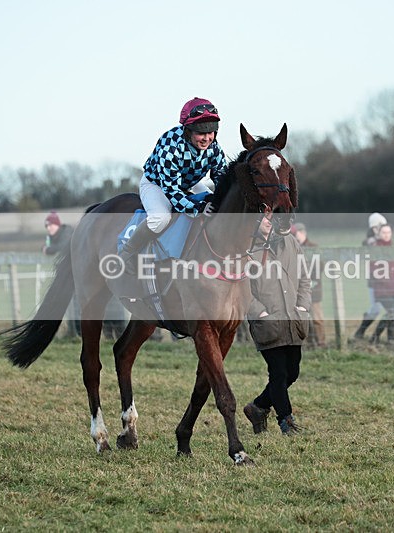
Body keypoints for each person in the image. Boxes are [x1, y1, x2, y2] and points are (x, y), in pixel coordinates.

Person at [118, 97, 227, 273]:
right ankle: (127, 252)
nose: (207, 138)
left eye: (211, 132)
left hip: (189, 182)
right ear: (188, 131)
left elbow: (221, 178)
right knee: (160, 218)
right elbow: (172, 191)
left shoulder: (215, 148)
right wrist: (197, 207)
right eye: (201, 132)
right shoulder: (170, 146)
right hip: (157, 184)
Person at [243, 215, 311, 436]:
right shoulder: (247, 248)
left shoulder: (290, 241)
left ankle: (259, 406)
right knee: (279, 373)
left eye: (272, 218)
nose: (269, 222)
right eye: (265, 218)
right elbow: (242, 289)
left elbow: (304, 278)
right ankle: (286, 420)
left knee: (292, 372)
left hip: (293, 319)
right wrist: (260, 313)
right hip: (267, 322)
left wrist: (302, 307)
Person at [42, 211, 79, 335]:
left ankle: (76, 331)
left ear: (57, 225)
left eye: (50, 225)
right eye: (46, 226)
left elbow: (63, 246)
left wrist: (48, 249)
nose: (48, 228)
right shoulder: (52, 237)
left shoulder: (66, 232)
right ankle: (73, 330)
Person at [353, 212, 388, 340]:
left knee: (392, 310)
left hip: (389, 281)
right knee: (376, 309)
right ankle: (361, 333)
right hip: (375, 282)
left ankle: (374, 336)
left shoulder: (386, 240)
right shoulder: (369, 242)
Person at [293, 223, 326, 348]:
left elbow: (320, 266)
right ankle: (307, 342)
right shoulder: (292, 248)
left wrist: (308, 277)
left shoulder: (314, 247)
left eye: (295, 234)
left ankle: (321, 342)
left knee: (317, 317)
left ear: (302, 233)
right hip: (298, 290)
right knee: (302, 318)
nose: (294, 237)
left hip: (314, 288)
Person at [369, 224, 394, 345]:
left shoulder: (393, 248)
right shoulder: (375, 248)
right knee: (392, 312)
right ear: (379, 234)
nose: (386, 235)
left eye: (389, 232)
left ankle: (386, 339)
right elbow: (373, 269)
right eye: (384, 232)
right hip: (382, 288)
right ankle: (384, 338)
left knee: (393, 314)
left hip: (393, 287)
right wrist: (388, 283)